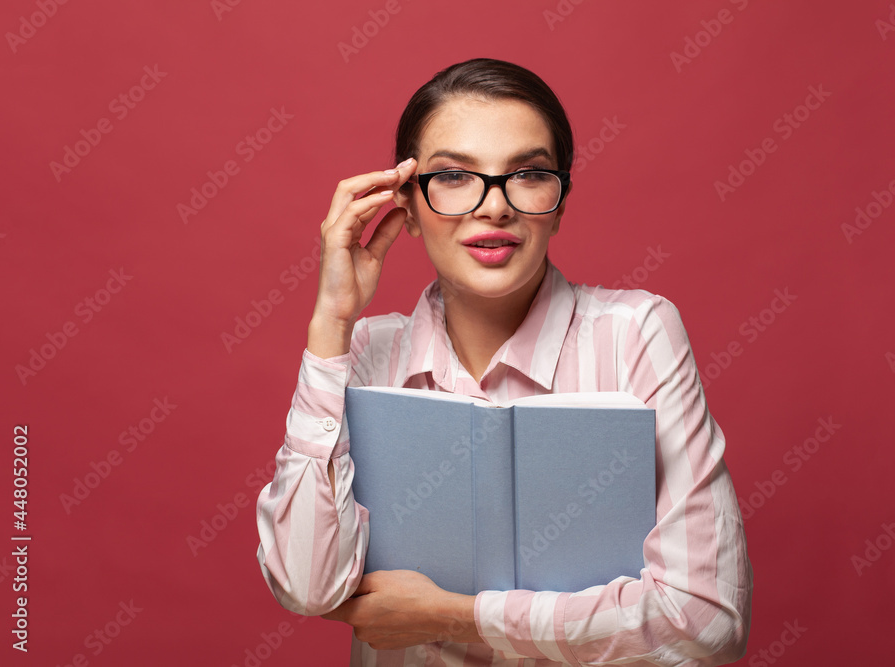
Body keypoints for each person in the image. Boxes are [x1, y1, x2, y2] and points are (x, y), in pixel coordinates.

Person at [255, 57, 752, 666]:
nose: (494, 207)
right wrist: (330, 324)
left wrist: (457, 615)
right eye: (455, 176)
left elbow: (706, 621)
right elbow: (306, 585)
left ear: (560, 200)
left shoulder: (636, 334)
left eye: (529, 173)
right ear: (406, 205)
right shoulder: (361, 351)